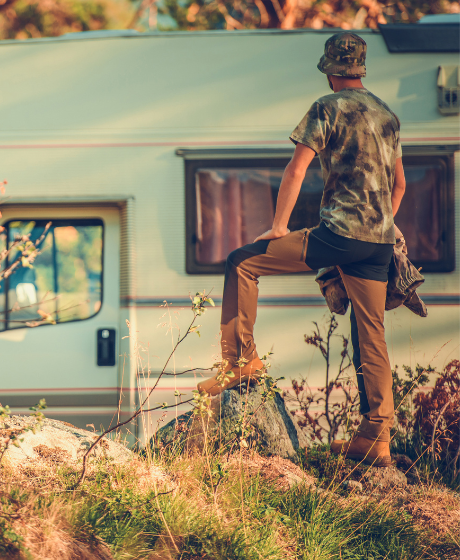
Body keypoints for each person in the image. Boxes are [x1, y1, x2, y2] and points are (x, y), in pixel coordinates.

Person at [196, 32, 406, 467]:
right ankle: (377, 437)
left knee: (242, 263)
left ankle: (240, 363)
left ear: (330, 71)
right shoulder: (388, 116)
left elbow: (296, 170)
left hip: (339, 235)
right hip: (378, 243)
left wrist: (277, 227)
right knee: (372, 334)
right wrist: (382, 223)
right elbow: (399, 185)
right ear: (361, 69)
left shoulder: (326, 108)